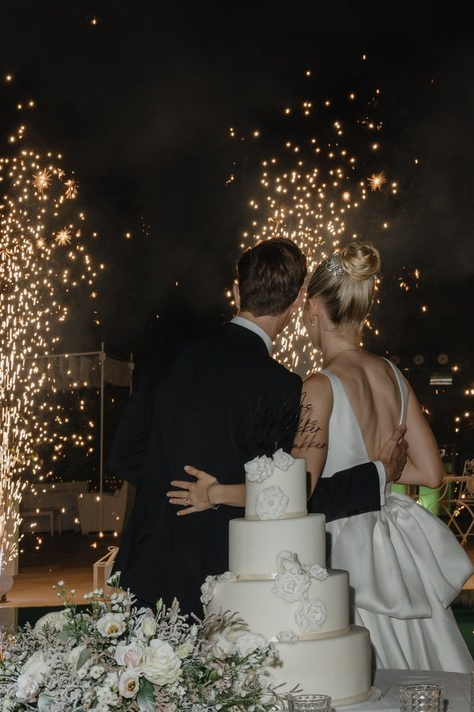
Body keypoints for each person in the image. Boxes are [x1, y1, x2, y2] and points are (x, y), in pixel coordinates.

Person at [169, 246, 474, 670]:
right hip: (393, 547)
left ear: (313, 308)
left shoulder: (319, 386)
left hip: (343, 548)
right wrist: (381, 469)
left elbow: (298, 490)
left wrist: (216, 492)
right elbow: (431, 473)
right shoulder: (391, 373)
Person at [109, 238, 394, 613]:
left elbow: (122, 457)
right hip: (220, 583)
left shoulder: (167, 355)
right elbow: (288, 493)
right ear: (295, 305)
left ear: (237, 290)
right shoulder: (281, 386)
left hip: (145, 568)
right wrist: (376, 476)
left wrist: (170, 485)